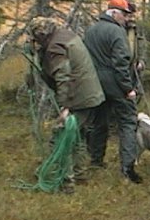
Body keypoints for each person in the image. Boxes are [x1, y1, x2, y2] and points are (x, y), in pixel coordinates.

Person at [25, 16, 105, 180]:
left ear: (41, 36)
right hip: (90, 95)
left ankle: (62, 178)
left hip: (78, 98)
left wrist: (65, 107)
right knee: (77, 136)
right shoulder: (65, 36)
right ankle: (79, 174)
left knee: (61, 136)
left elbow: (63, 77)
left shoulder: (55, 48)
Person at [84, 0, 143, 183]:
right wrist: (128, 89)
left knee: (98, 122)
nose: (126, 19)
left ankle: (95, 160)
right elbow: (120, 63)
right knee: (128, 122)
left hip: (94, 83)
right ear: (115, 13)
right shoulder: (117, 32)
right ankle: (128, 168)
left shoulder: (91, 31)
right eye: (124, 15)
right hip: (115, 84)